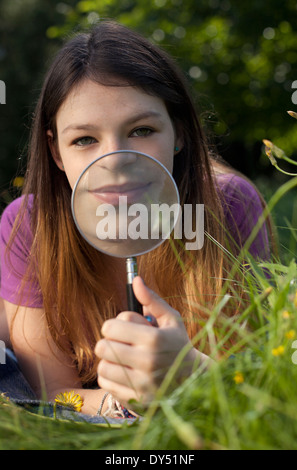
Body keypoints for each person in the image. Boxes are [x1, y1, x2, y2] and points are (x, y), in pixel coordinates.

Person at [0, 21, 273, 417]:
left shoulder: (228, 206)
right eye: (84, 139)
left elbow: (252, 379)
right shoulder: (28, 226)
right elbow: (53, 395)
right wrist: (126, 405)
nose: (117, 159)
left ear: (178, 133)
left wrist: (193, 375)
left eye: (142, 129)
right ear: (56, 152)